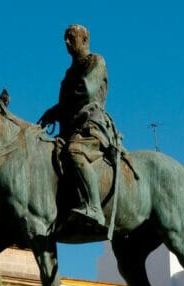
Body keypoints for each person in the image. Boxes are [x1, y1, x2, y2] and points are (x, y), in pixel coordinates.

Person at [38, 24, 119, 229]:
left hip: (90, 127)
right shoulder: (69, 72)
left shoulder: (96, 61)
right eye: (65, 38)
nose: (66, 42)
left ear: (84, 40)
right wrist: (52, 112)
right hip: (70, 129)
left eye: (71, 37)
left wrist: (58, 109)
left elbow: (85, 91)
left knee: (75, 151)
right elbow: (66, 100)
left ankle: (94, 208)